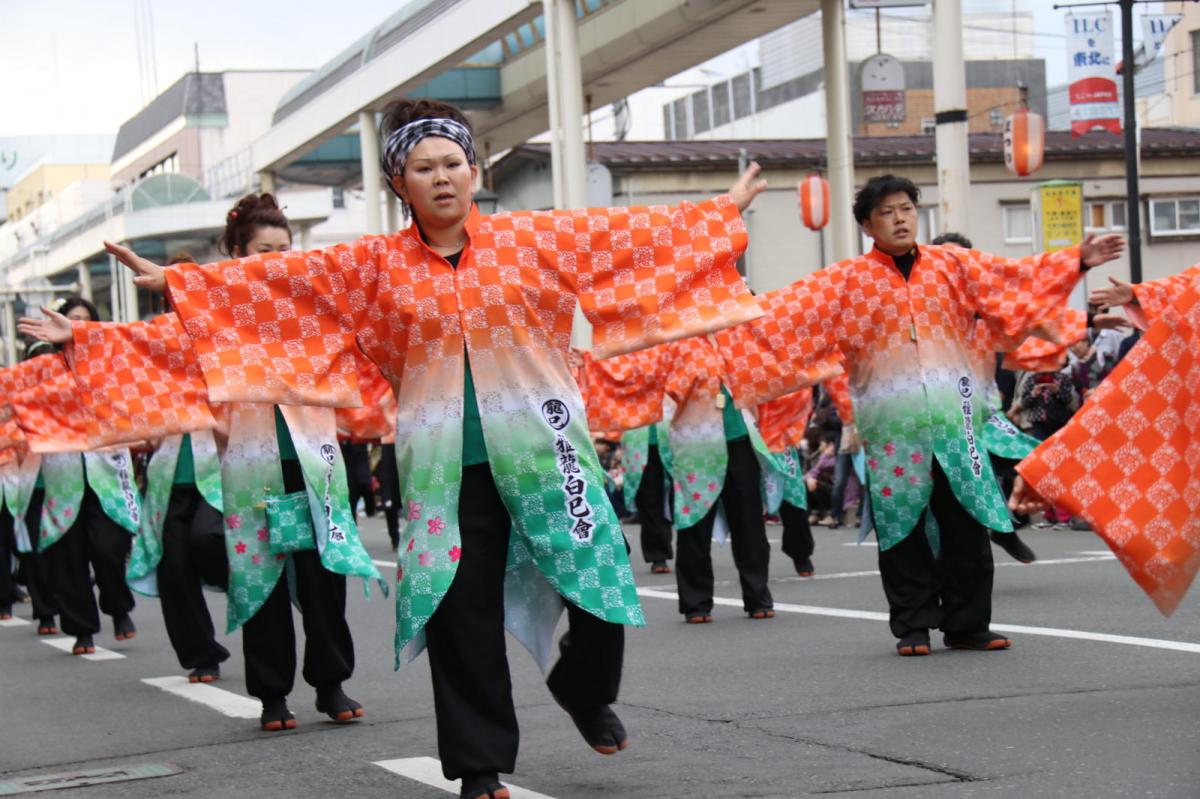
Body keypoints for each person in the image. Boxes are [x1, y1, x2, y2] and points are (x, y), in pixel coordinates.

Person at [95, 98, 765, 799]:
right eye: (423, 167)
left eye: (453, 162)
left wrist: (719, 212)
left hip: (545, 448)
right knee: (458, 609)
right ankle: (479, 766)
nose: (442, 177)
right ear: (398, 183)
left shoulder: (535, 240)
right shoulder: (373, 266)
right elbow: (279, 285)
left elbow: (632, 239)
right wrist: (178, 282)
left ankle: (582, 682)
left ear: (474, 171)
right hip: (444, 464)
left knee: (601, 575)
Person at [714, 174, 1124, 657]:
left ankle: (968, 624)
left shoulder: (953, 266)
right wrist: (719, 282)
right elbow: (776, 315)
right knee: (900, 524)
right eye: (886, 212)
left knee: (966, 521)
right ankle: (912, 625)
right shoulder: (844, 282)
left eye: (906, 208)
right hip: (891, 426)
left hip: (956, 420)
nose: (900, 218)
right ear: (868, 224)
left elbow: (1013, 286)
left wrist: (1076, 261)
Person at [23, 194, 381, 731]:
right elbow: (152, 343)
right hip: (247, 467)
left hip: (314, 463)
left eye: (285, 249)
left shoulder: (312, 304)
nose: (276, 259)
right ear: (234, 253)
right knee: (260, 577)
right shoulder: (209, 319)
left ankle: (331, 682)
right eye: (263, 250)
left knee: (323, 578)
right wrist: (81, 334)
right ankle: (272, 694)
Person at [583, 337, 778, 625]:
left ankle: (758, 596)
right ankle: (696, 602)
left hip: (740, 441)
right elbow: (639, 372)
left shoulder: (738, 338)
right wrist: (590, 360)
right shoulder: (677, 341)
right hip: (694, 443)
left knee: (748, 521)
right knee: (694, 524)